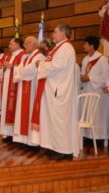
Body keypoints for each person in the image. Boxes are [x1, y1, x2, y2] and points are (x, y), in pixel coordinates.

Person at [32, 24, 79, 159]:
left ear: (63, 33)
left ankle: (64, 150)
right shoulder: (59, 48)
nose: (53, 34)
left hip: (60, 90)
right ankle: (54, 146)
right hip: (54, 88)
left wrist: (40, 64)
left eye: (55, 32)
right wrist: (42, 64)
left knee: (60, 120)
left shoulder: (66, 48)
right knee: (54, 120)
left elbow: (57, 66)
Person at [13, 36, 45, 147]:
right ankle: (23, 139)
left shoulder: (40, 56)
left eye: (28, 43)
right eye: (25, 43)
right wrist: (21, 71)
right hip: (24, 87)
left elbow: (29, 71)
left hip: (33, 90)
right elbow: (19, 70)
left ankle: (32, 142)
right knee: (22, 112)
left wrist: (21, 71)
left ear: (35, 44)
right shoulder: (26, 58)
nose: (25, 46)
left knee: (31, 111)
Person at [80, 36, 109, 141]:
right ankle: (88, 136)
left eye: (85, 44)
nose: (83, 46)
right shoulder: (85, 59)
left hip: (98, 92)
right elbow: (83, 74)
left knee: (97, 115)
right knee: (87, 113)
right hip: (87, 90)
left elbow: (105, 76)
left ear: (92, 46)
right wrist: (82, 78)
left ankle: (99, 137)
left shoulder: (102, 59)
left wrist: (89, 78)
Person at [0, 38, 26, 141]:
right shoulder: (10, 56)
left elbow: (23, 70)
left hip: (16, 87)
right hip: (7, 87)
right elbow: (5, 71)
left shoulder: (22, 55)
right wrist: (4, 67)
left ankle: (14, 135)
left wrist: (11, 66)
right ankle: (8, 133)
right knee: (7, 108)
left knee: (14, 108)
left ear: (18, 44)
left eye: (11, 43)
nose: (9, 46)